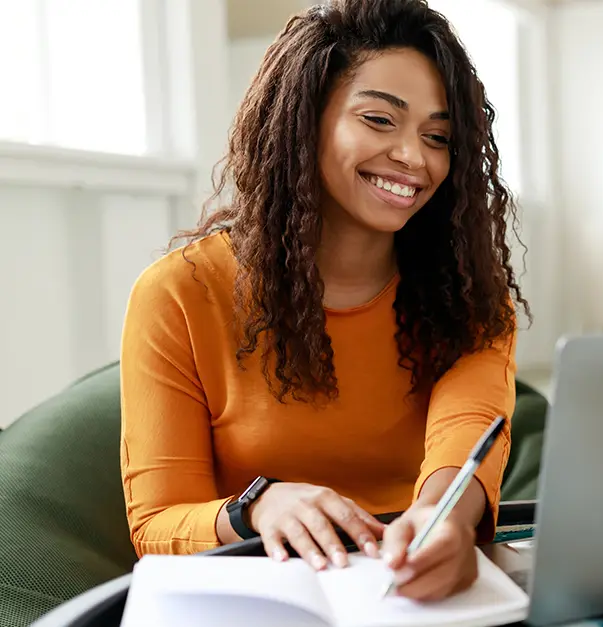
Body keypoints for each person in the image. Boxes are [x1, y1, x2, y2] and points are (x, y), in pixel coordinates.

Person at [119, 0, 528, 602]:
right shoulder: (179, 293)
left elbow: (465, 431)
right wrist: (256, 509)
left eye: (437, 136)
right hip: (258, 592)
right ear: (303, 119)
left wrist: (446, 519)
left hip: (416, 592)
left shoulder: (469, 292)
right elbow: (156, 524)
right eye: (379, 120)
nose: (413, 158)